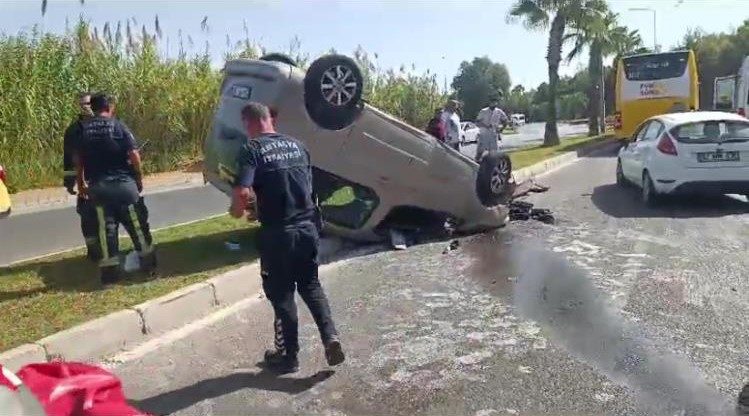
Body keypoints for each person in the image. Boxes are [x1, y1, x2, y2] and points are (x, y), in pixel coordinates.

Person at [230, 102, 344, 374]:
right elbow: (300, 187)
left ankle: (288, 356)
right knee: (311, 285)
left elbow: (243, 193)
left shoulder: (252, 149)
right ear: (271, 120)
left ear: (249, 123)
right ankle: (331, 337)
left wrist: (236, 210)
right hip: (307, 228)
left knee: (281, 295)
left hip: (278, 234)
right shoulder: (298, 146)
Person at [73, 93, 156, 284]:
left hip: (99, 188)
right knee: (137, 225)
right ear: (109, 107)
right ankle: (148, 266)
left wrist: (81, 184)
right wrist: (138, 178)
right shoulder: (118, 126)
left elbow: (79, 161)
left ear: (92, 109)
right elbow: (134, 155)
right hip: (124, 185)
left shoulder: (83, 130)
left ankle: (110, 274)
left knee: (106, 230)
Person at [63, 92, 100, 261]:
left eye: (90, 103)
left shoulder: (106, 124)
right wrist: (69, 181)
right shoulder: (73, 131)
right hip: (85, 182)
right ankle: (93, 252)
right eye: (84, 104)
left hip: (105, 179)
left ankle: (109, 251)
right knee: (88, 218)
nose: (87, 107)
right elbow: (68, 159)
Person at [475, 94, 509, 162]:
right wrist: (485, 125)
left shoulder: (499, 112)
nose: (494, 104)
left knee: (493, 153)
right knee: (480, 151)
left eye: (495, 102)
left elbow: (505, 120)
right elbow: (477, 122)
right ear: (489, 103)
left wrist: (501, 129)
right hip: (484, 134)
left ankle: (492, 167)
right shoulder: (483, 111)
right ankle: (476, 163)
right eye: (492, 102)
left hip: (493, 134)